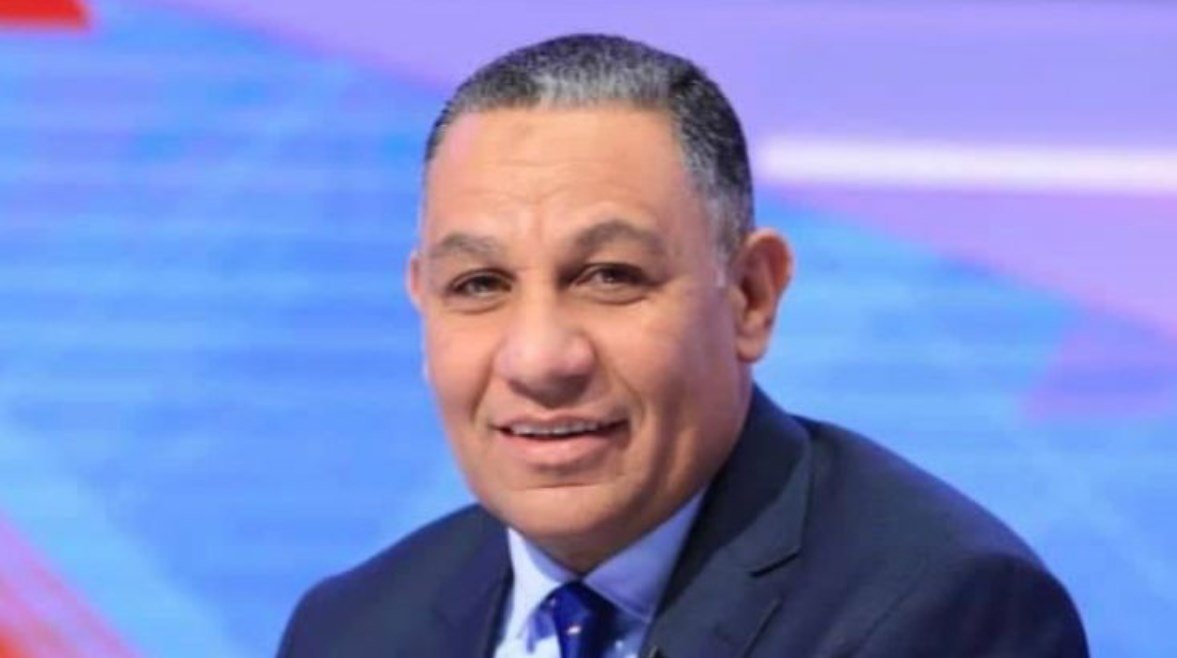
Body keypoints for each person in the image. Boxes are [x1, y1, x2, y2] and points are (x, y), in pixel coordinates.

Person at [277, 34, 1088, 657]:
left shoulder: (935, 612)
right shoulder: (350, 629)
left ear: (750, 296)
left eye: (609, 276)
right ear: (422, 303)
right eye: (479, 285)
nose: (538, 359)